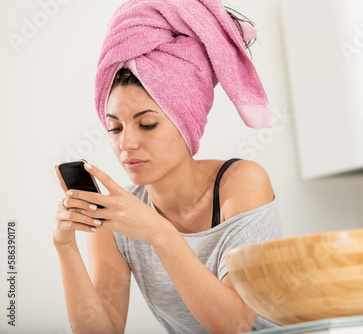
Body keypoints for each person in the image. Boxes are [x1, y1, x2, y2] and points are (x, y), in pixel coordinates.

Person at [52, 0, 282, 333]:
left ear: (186, 124)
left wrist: (159, 233)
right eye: (115, 127)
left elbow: (235, 325)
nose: (126, 143)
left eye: (146, 124)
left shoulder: (242, 183)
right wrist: (65, 246)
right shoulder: (119, 218)